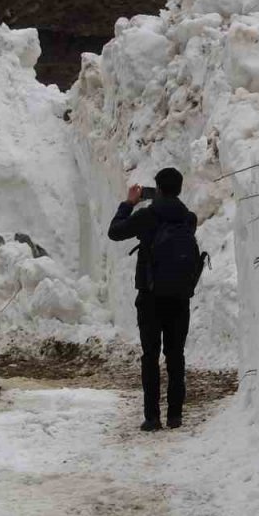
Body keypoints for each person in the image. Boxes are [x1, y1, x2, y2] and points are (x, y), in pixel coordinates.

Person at [108, 168, 200, 432]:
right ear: (180, 189)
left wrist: (128, 204)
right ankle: (175, 416)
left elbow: (115, 232)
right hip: (179, 298)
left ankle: (152, 417)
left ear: (157, 189)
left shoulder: (148, 216)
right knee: (176, 355)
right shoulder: (188, 219)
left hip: (150, 297)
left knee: (150, 356)